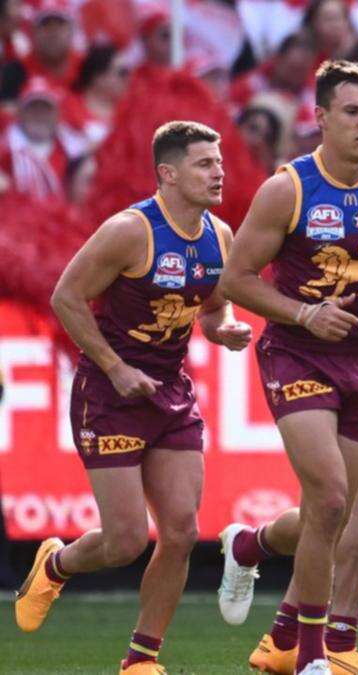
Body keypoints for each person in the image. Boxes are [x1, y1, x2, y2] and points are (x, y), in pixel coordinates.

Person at [219, 60, 358, 675]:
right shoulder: (286, 189)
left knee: (329, 513)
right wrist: (304, 315)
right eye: (352, 112)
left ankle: (250, 544)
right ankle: (313, 656)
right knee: (334, 497)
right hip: (296, 354)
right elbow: (236, 278)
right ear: (319, 118)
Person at [16, 121, 252, 674]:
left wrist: (226, 328)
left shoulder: (219, 235)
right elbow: (66, 297)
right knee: (124, 541)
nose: (219, 171)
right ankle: (57, 565)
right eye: (204, 164)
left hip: (170, 390)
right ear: (167, 174)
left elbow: (216, 305)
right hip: (109, 391)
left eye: (218, 162)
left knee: (182, 531)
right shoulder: (130, 231)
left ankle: (141, 659)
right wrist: (116, 367)